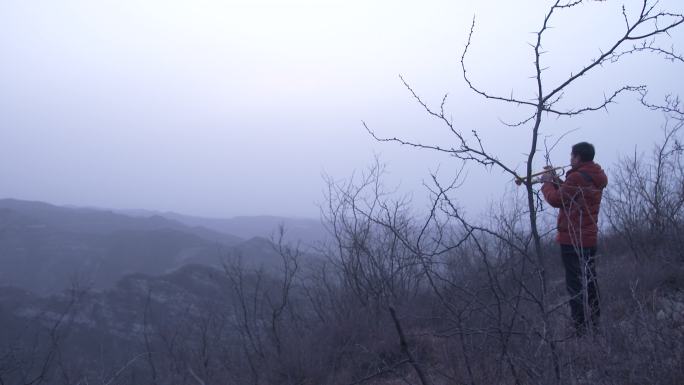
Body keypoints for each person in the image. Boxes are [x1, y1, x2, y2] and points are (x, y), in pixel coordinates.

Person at [541, 142, 608, 335]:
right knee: (590, 280)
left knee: (574, 285)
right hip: (589, 237)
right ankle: (595, 324)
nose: (570, 159)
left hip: (571, 238)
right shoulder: (593, 176)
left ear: (578, 157)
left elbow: (557, 199)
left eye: (572, 156)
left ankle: (580, 329)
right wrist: (555, 179)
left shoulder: (577, 176)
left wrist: (546, 182)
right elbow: (571, 194)